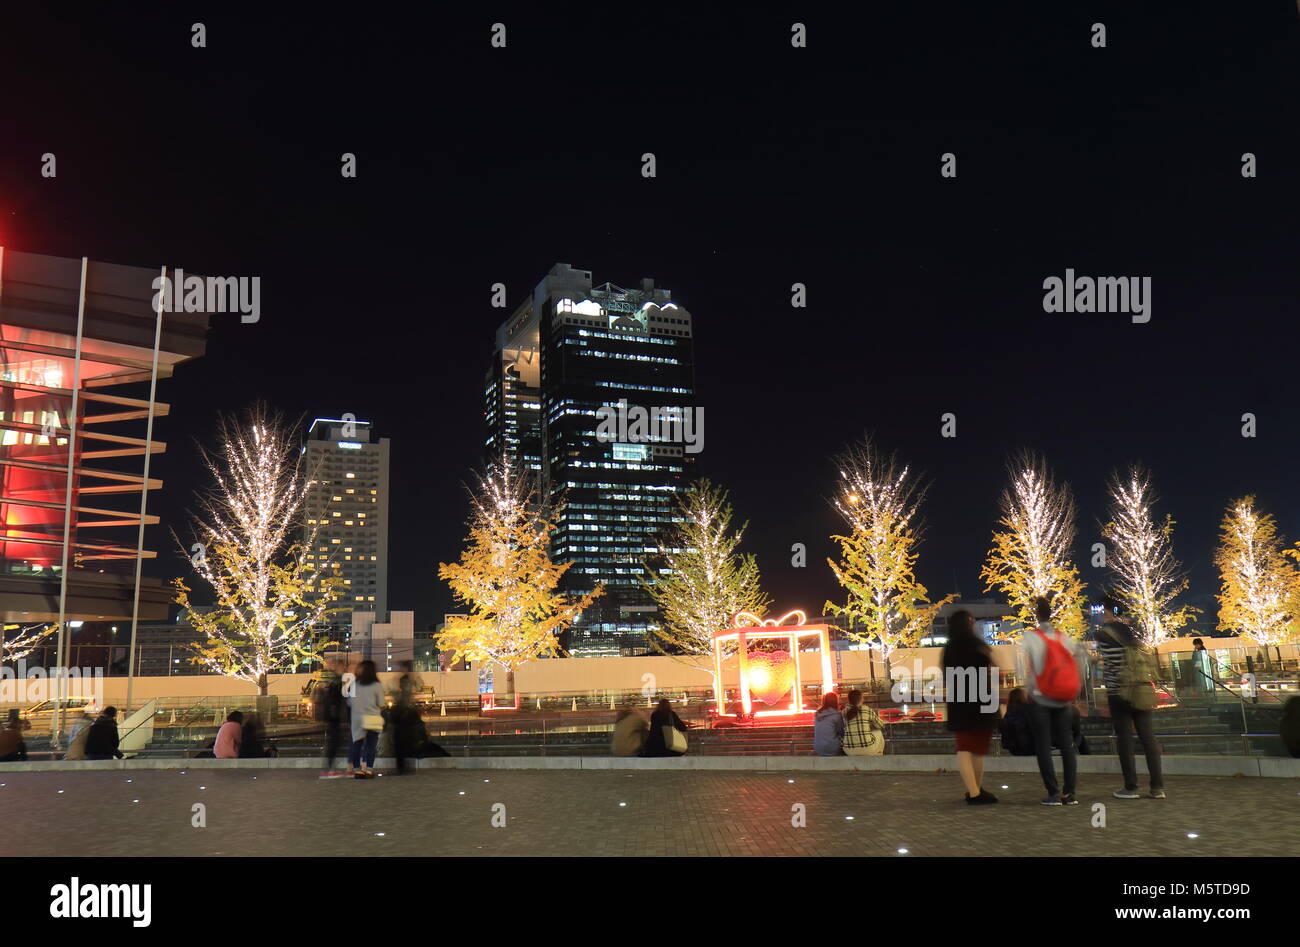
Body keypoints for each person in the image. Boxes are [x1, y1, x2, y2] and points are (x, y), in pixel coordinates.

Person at [1094, 597, 1165, 799]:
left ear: (1108, 611)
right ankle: (1157, 787)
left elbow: (1107, 663)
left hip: (1119, 693)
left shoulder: (1102, 634)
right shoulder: (1136, 634)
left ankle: (1131, 787)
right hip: (1141, 689)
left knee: (1125, 740)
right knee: (1148, 738)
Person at [1023, 597, 1085, 805]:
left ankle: (1053, 793)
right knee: (1067, 744)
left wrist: (1029, 689)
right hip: (1063, 699)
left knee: (1043, 745)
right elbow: (1077, 662)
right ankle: (1070, 793)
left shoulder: (1030, 638)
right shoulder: (1063, 637)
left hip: (1040, 698)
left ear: (1035, 614)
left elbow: (1026, 670)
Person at [942, 610, 999, 804]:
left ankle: (974, 790)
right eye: (972, 621)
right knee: (976, 747)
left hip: (959, 701)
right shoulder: (978, 646)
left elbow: (945, 675)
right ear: (967, 624)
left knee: (965, 746)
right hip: (982, 699)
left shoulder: (949, 648)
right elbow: (996, 667)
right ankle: (976, 791)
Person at [349, 659, 385, 777]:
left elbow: (349, 702)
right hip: (372, 718)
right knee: (370, 745)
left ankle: (357, 770)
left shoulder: (354, 684)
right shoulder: (377, 685)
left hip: (357, 719)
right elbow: (381, 703)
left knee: (357, 744)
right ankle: (368, 769)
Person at [317, 659, 348, 778]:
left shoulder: (333, 681)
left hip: (331, 715)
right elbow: (340, 698)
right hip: (334, 716)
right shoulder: (337, 681)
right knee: (334, 742)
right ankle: (329, 770)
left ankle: (329, 769)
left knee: (334, 742)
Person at [842, 689, 885, 756]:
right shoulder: (867, 709)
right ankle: (878, 756)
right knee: (878, 732)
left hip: (848, 750)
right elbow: (881, 725)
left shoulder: (843, 712)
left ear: (849, 700)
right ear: (861, 699)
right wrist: (870, 726)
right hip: (867, 748)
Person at [999, 688, 1035, 755]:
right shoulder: (1028, 709)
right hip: (1030, 746)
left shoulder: (1009, 712)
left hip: (1014, 747)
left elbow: (1003, 729)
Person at [812, 692, 845, 756]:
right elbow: (842, 732)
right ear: (836, 701)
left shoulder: (817, 714)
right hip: (832, 748)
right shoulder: (837, 715)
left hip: (818, 747)